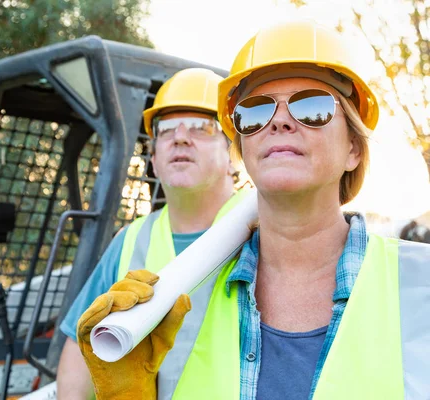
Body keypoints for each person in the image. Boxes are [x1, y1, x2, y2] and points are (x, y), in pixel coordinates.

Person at [76, 19, 430, 399]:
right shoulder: (185, 291)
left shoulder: (419, 283)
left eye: (311, 106)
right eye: (255, 111)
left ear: (353, 149)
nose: (278, 120)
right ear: (243, 149)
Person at [56, 67, 247, 399]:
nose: (181, 137)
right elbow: (79, 346)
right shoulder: (129, 241)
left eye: (202, 127)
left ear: (234, 155)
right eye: (166, 129)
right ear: (154, 159)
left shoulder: (264, 227)